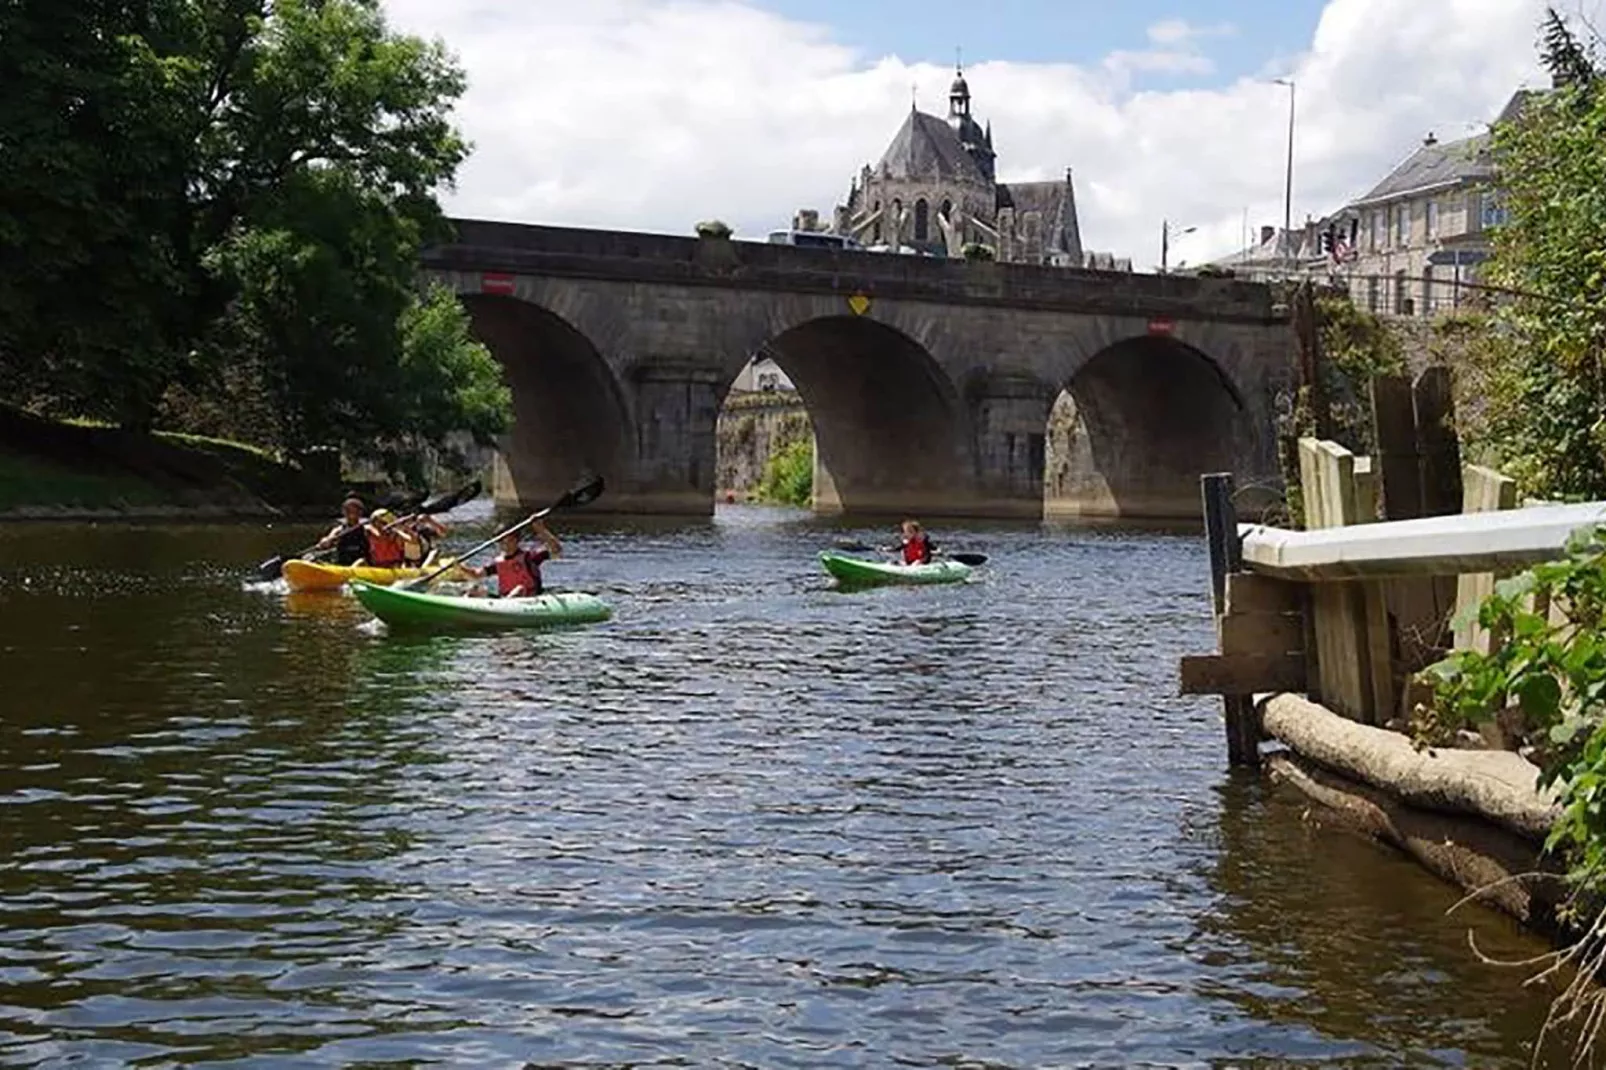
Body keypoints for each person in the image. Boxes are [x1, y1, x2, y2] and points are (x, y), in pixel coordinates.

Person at [465, 520, 561, 598]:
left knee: (519, 589)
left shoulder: (530, 556)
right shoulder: (498, 562)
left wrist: (541, 530)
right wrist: (458, 566)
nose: (506, 545)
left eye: (510, 541)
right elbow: (475, 574)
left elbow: (556, 549)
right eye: (502, 542)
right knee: (474, 589)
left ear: (517, 541)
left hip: (529, 597)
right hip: (503, 599)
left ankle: (504, 606)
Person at [314, 496, 370, 566]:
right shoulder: (338, 530)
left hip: (361, 565)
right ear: (344, 512)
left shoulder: (367, 529)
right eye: (348, 511)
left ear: (360, 512)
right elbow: (329, 539)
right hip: (342, 564)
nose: (352, 514)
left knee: (361, 561)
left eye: (355, 511)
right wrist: (325, 541)